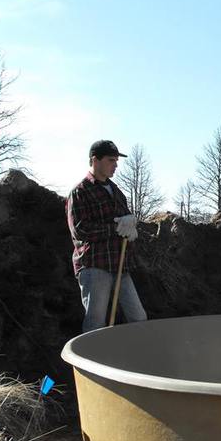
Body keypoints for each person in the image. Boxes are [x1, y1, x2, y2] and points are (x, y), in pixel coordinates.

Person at [66, 140, 147, 333]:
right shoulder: (80, 192)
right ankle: (89, 362)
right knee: (96, 322)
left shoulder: (117, 192)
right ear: (95, 160)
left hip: (120, 265)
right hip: (95, 265)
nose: (116, 165)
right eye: (111, 160)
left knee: (138, 317)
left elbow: (125, 221)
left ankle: (137, 358)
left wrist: (131, 227)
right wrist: (116, 227)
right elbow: (80, 230)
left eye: (116, 161)